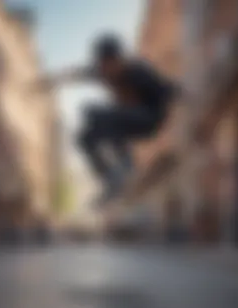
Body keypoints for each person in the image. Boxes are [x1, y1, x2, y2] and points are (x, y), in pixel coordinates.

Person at [33, 33, 183, 207]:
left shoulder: (138, 71)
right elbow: (73, 74)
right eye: (103, 66)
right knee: (84, 136)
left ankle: (127, 168)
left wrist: (181, 93)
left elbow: (166, 88)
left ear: (119, 60)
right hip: (126, 121)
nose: (107, 71)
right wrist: (46, 82)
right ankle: (110, 180)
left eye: (110, 65)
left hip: (150, 119)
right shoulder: (101, 72)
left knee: (98, 114)